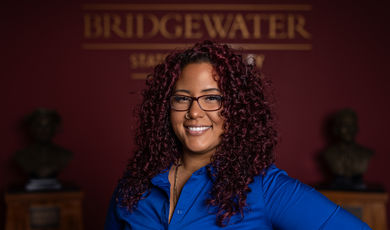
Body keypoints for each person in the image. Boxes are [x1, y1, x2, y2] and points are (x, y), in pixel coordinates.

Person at [105, 41, 371, 229]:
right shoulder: (133, 187)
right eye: (182, 98)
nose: (194, 112)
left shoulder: (264, 188)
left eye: (212, 98)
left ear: (237, 108)